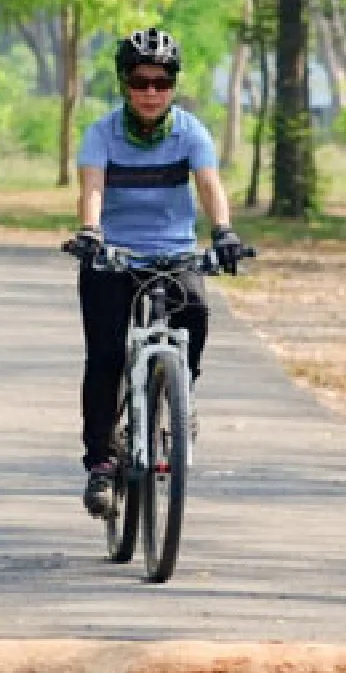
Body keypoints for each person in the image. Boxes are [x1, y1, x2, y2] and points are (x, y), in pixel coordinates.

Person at [64, 27, 245, 519]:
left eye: (162, 83)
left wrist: (223, 232)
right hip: (114, 255)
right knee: (105, 357)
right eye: (141, 82)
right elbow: (92, 187)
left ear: (173, 86)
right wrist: (90, 231)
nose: (151, 92)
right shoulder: (102, 134)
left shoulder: (190, 132)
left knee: (197, 311)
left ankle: (180, 396)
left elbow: (208, 184)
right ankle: (101, 464)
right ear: (125, 83)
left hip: (174, 254)